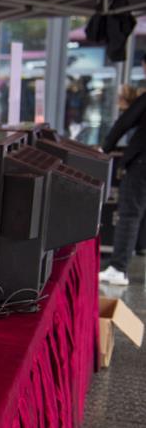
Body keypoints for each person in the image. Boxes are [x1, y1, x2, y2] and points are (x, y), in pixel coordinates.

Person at [99, 54, 146, 286]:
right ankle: (139, 248)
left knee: (129, 213)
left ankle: (118, 268)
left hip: (141, 163)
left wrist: (105, 148)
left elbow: (124, 122)